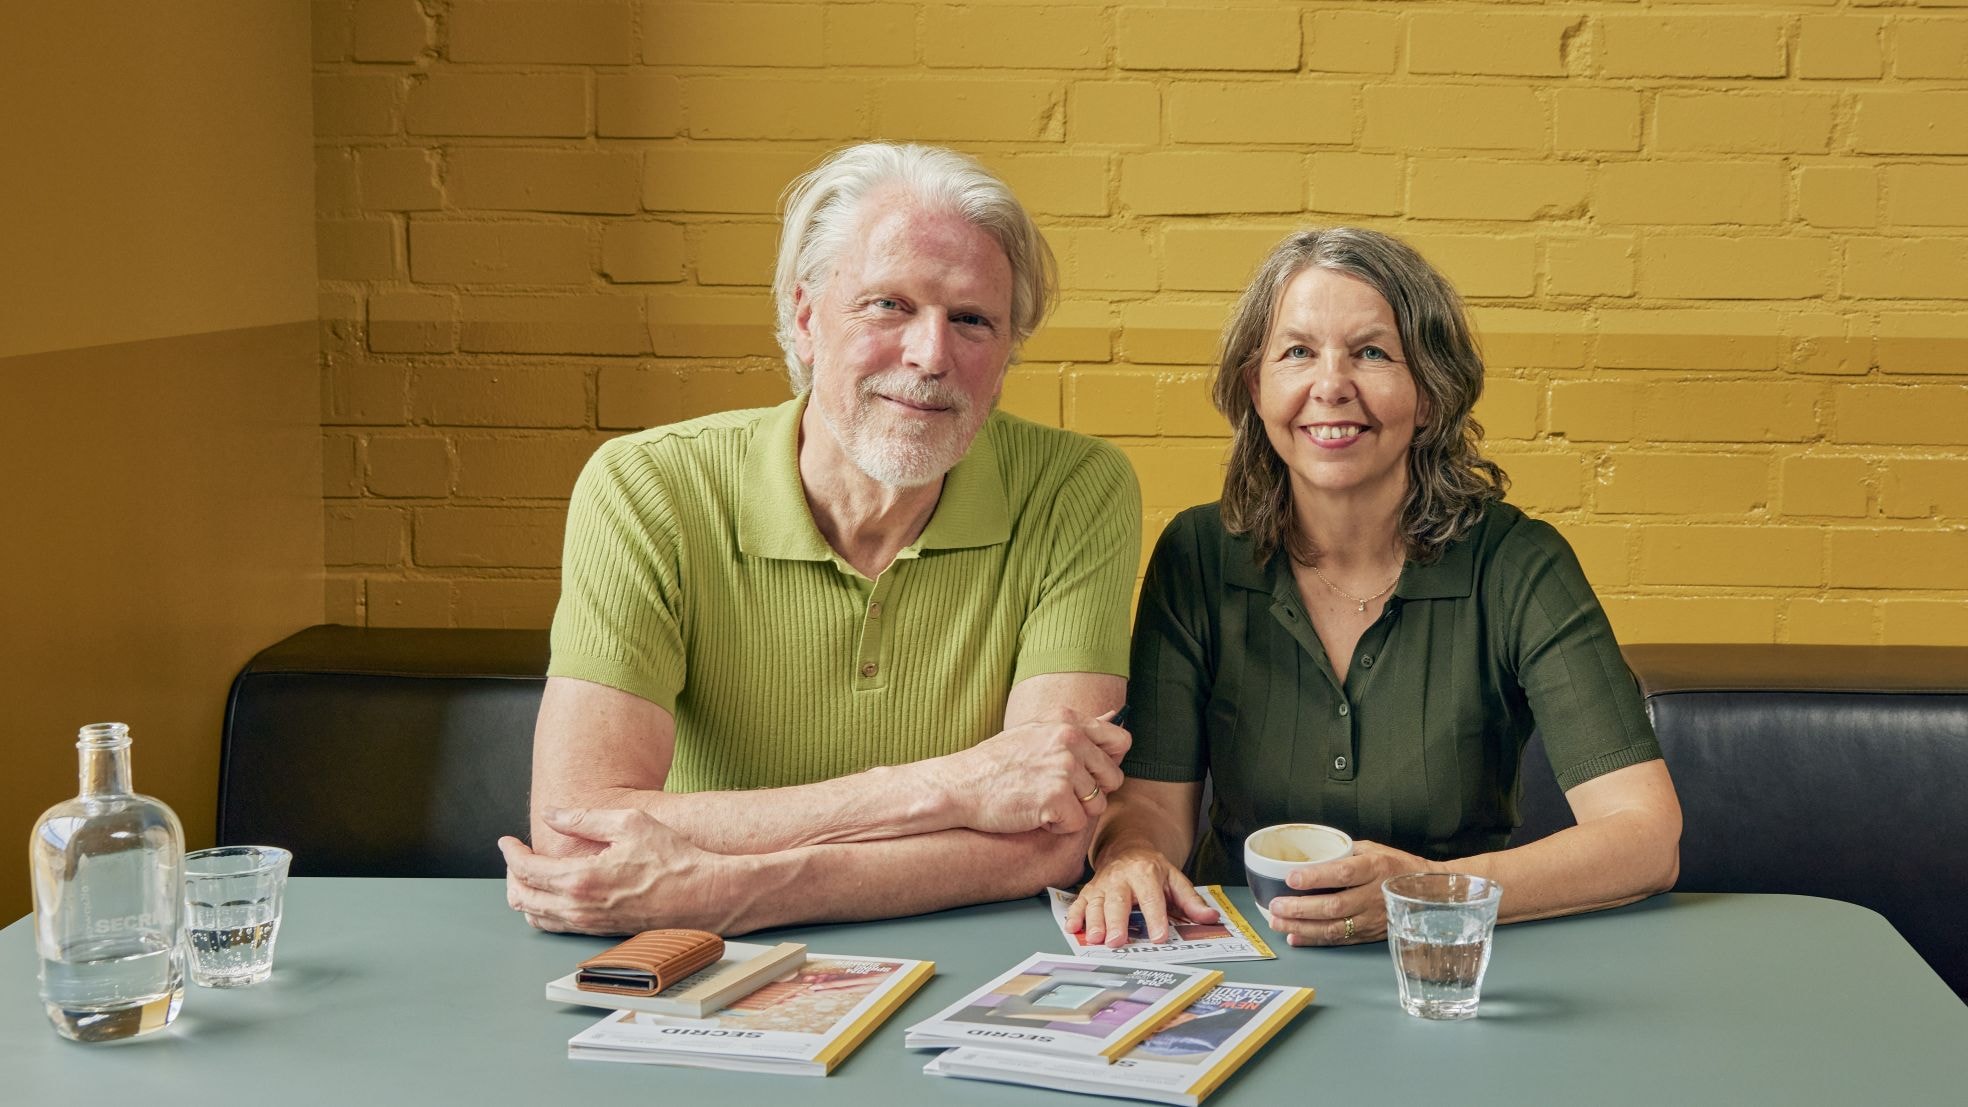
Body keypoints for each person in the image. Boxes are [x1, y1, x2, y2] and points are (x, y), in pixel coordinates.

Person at [501, 143, 1140, 935]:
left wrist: (732, 890)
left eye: (972, 319)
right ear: (806, 321)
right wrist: (952, 787)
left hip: (949, 952)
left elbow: (1052, 836)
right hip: (692, 974)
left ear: (1007, 354)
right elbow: (576, 829)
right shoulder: (646, 487)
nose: (930, 355)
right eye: (888, 306)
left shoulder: (1076, 488)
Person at [1068, 228, 1682, 948]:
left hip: (1453, 963)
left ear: (1428, 394)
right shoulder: (1196, 555)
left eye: (1371, 352)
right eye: (1297, 352)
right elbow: (1152, 806)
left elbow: (1645, 836)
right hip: (1248, 957)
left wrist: (1427, 893)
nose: (1330, 385)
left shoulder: (1519, 562)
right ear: (1254, 388)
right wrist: (1131, 855)